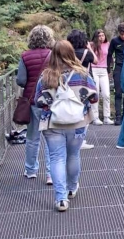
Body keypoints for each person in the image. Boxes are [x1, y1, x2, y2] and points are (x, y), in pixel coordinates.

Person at [34, 40, 98, 211]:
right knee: (73, 155)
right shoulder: (83, 75)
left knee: (57, 158)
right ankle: (72, 188)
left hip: (52, 123)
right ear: (71, 53)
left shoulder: (45, 77)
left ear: (52, 55)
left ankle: (61, 199)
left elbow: (38, 101)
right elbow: (94, 98)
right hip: (77, 123)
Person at [17, 24, 54, 183]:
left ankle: (31, 170)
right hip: (50, 101)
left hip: (32, 101)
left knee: (33, 138)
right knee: (51, 138)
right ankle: (51, 173)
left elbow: (21, 80)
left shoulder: (25, 56)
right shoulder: (53, 55)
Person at [67, 29, 96, 148]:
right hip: (83, 85)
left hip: (69, 83)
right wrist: (89, 48)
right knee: (83, 112)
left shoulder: (67, 53)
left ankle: (69, 137)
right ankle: (80, 140)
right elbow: (96, 60)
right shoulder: (86, 53)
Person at [108, 23, 124, 124]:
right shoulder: (114, 41)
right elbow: (109, 54)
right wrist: (108, 69)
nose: (123, 36)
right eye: (121, 34)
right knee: (118, 92)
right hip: (118, 67)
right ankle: (118, 116)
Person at [89, 29, 113, 124]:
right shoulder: (91, 45)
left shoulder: (107, 44)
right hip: (94, 69)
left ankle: (107, 117)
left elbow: (110, 57)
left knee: (106, 94)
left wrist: (109, 69)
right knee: (96, 94)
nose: (101, 37)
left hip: (104, 70)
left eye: (103, 35)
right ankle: (95, 117)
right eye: (99, 36)